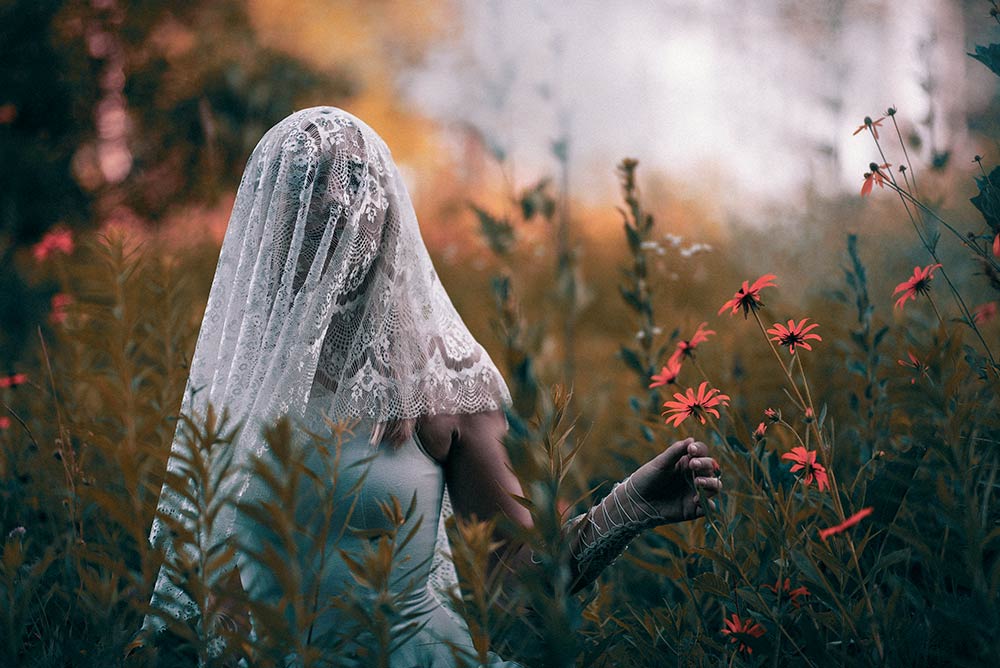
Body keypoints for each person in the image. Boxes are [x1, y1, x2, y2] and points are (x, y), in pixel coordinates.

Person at [142, 107, 721, 666]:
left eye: (353, 181)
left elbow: (513, 588)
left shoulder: (443, 380)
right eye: (307, 183)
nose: (332, 201)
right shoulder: (241, 379)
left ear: (387, 210)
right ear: (271, 217)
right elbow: (195, 582)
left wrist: (629, 506)